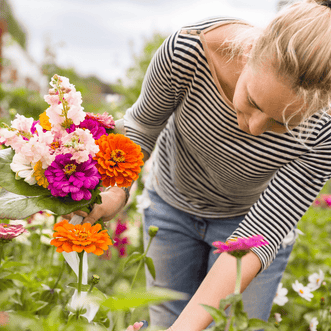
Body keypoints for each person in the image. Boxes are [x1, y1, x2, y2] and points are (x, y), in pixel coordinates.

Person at [71, 0, 331, 330]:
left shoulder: (326, 129)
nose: (253, 127)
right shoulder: (190, 51)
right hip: (171, 208)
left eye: (280, 123)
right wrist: (114, 192)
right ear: (250, 51)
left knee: (234, 325)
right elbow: (142, 129)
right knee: (168, 319)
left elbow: (261, 232)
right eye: (252, 100)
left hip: (250, 227)